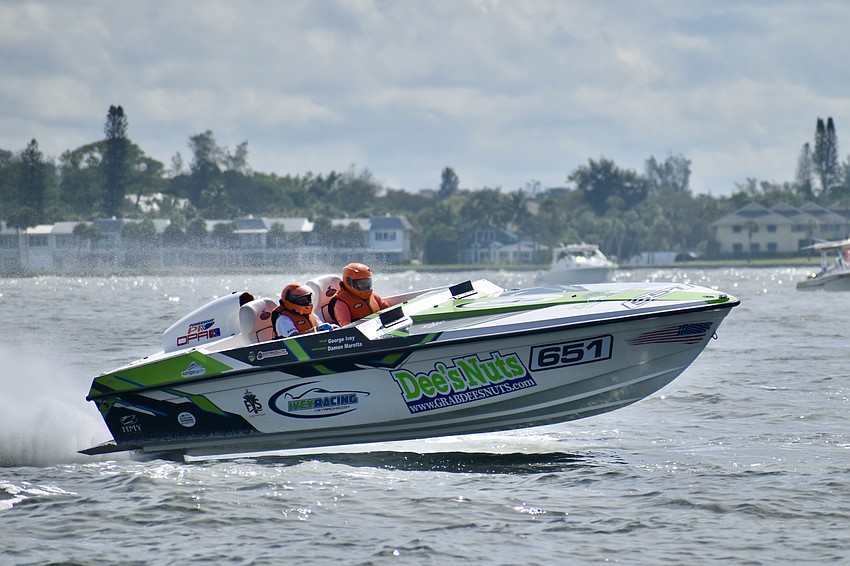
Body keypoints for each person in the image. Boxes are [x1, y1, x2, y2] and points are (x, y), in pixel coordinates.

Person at [327, 262, 390, 326]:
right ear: (349, 282)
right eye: (360, 283)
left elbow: (388, 311)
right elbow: (346, 326)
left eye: (366, 282)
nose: (365, 285)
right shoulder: (341, 303)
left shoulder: (373, 296)